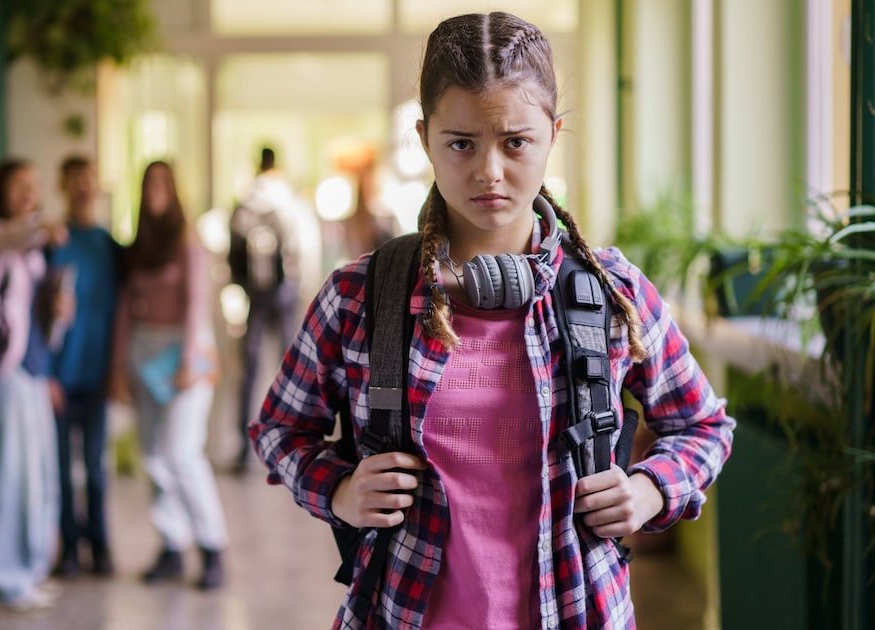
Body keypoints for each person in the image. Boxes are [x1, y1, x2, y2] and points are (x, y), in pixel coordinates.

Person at [249, 12, 735, 629]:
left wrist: (650, 490)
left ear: (552, 134)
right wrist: (340, 491)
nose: (489, 172)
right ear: (425, 138)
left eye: (515, 142)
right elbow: (280, 430)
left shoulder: (611, 292)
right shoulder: (359, 297)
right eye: (461, 143)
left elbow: (703, 426)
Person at [110, 161, 228, 589]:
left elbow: (197, 302)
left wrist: (189, 360)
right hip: (143, 353)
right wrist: (118, 368)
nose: (155, 189)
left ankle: (212, 547)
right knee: (153, 456)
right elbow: (125, 308)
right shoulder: (139, 245)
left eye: (163, 182)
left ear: (175, 190)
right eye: (149, 183)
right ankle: (172, 545)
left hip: (186, 354)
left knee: (181, 452)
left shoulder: (187, 240)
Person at [0, 158, 69, 610]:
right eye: (18, 186)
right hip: (4, 376)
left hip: (34, 373)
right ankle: (2, 579)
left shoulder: (32, 251)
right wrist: (43, 228)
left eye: (34, 186)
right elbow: (17, 235)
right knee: (8, 479)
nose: (28, 194)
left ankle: (28, 571)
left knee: (38, 478)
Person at [47, 155, 120, 577]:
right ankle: (69, 547)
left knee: (94, 467)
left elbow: (118, 313)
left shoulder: (108, 246)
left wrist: (114, 371)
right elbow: (40, 313)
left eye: (88, 180)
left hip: (96, 376)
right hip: (59, 378)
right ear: (63, 186)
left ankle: (100, 544)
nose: (82, 188)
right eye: (74, 180)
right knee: (60, 470)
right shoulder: (53, 242)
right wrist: (48, 376)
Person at [228, 147, 303, 472]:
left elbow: (232, 250)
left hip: (255, 295)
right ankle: (293, 448)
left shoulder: (245, 202)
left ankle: (244, 451)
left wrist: (242, 285)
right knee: (291, 372)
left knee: (250, 371)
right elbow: (299, 249)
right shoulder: (287, 199)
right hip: (284, 293)